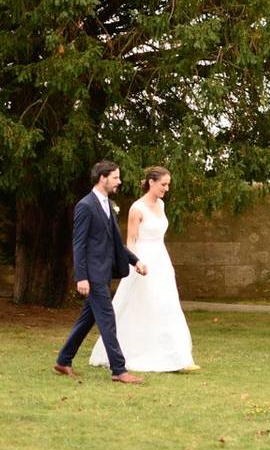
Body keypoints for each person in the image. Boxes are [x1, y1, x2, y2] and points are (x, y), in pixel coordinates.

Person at [89, 166, 199, 372]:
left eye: (168, 185)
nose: (166, 188)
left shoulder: (162, 205)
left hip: (161, 260)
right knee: (147, 305)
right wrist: (135, 263)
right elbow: (130, 241)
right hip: (143, 262)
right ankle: (132, 353)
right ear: (151, 182)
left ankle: (175, 355)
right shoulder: (136, 208)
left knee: (168, 305)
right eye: (163, 184)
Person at [54, 160, 149, 384]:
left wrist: (134, 261)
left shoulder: (108, 205)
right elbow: (79, 244)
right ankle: (119, 369)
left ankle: (63, 360)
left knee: (87, 320)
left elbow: (115, 242)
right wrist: (82, 277)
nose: (119, 181)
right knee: (107, 320)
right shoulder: (85, 206)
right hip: (93, 276)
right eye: (115, 177)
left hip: (105, 273)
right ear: (102, 178)